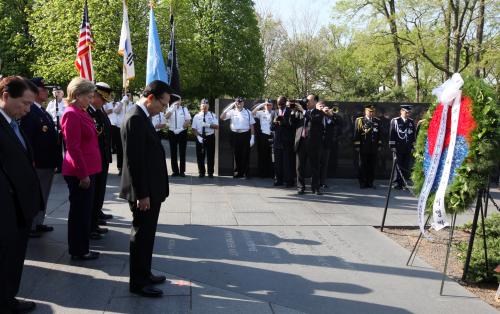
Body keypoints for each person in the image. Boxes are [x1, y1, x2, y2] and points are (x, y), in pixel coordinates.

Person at [120, 80, 172, 298]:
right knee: (141, 235)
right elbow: (135, 161)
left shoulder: (143, 116)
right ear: (151, 98)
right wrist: (142, 194)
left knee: (148, 235)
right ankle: (138, 282)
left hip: (150, 189)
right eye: (163, 103)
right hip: (144, 192)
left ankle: (145, 272)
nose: (164, 108)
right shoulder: (135, 118)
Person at [0, 76, 43, 313]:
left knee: (14, 259)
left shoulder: (14, 123)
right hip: (7, 209)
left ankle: (9, 298)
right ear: (6, 96)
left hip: (21, 208)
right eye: (25, 103)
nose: (28, 110)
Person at [61, 77, 102, 260]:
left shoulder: (82, 112)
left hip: (89, 168)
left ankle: (82, 247)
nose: (91, 100)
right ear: (77, 95)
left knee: (84, 211)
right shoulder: (71, 113)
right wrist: (83, 174)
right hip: (80, 172)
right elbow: (73, 147)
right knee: (80, 213)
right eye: (88, 96)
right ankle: (78, 250)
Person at [19, 77, 58, 238]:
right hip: (38, 162)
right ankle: (33, 224)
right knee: (37, 193)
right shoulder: (30, 111)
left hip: (46, 161)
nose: (46, 92)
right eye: (43, 89)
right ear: (34, 91)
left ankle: (38, 221)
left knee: (44, 192)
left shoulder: (40, 109)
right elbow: (28, 138)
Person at [87, 82, 114, 239]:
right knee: (94, 195)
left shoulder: (99, 111)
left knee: (99, 193)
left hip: (102, 158)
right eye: (101, 98)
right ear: (95, 96)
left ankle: (94, 222)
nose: (104, 102)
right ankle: (90, 226)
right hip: (95, 160)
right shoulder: (90, 113)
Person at [295, 95, 329, 195]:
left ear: (315, 102)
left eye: (309, 100)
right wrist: (293, 111)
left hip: (313, 143)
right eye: (306, 100)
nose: (307, 102)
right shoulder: (301, 112)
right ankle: (301, 187)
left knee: (315, 166)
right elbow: (292, 122)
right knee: (300, 167)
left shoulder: (319, 113)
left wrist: (303, 111)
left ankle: (315, 188)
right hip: (301, 142)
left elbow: (313, 120)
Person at [220, 97, 256, 179]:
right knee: (237, 154)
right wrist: (231, 106)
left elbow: (252, 125)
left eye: (240, 102)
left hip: (245, 135)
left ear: (243, 103)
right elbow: (222, 117)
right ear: (235, 103)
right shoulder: (232, 111)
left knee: (246, 154)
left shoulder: (248, 112)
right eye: (237, 102)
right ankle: (238, 173)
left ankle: (247, 173)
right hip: (235, 135)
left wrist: (252, 137)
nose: (239, 103)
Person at [353, 104, 382, 189]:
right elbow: (356, 133)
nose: (371, 113)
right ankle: (362, 182)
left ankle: (370, 182)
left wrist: (379, 144)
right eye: (370, 111)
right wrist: (357, 145)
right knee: (363, 165)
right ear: (365, 111)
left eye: (373, 111)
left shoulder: (377, 120)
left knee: (372, 166)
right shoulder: (360, 120)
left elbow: (379, 134)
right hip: (363, 146)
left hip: (373, 147)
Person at [389, 105, 416, 189]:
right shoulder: (395, 121)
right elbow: (392, 134)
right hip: (398, 147)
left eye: (408, 112)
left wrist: (413, 146)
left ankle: (404, 183)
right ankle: (397, 183)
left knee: (406, 165)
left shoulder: (411, 122)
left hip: (407, 147)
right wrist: (392, 146)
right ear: (401, 111)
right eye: (405, 112)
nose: (407, 114)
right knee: (398, 165)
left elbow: (412, 135)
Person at [271, 96, 296, 187]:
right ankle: (279, 180)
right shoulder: (275, 112)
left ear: (285, 103)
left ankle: (289, 181)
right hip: (277, 141)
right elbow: (271, 128)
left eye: (281, 104)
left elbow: (293, 126)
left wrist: (283, 122)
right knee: (278, 163)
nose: (280, 106)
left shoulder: (291, 111)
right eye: (278, 104)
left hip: (287, 141)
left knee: (287, 163)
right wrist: (274, 122)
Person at [191, 99, 219, 178]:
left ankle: (210, 172)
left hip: (210, 136)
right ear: (200, 106)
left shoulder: (212, 115)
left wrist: (208, 125)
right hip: (200, 136)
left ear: (208, 106)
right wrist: (198, 137)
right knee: (200, 155)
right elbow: (194, 129)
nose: (204, 107)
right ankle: (201, 172)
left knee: (210, 155)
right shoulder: (196, 116)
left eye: (206, 106)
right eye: (203, 106)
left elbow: (217, 126)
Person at [165, 98, 190, 177]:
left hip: (182, 132)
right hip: (172, 132)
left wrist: (181, 129)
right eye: (176, 101)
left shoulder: (184, 109)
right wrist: (172, 110)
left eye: (179, 100)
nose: (177, 102)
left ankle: (182, 171)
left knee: (182, 152)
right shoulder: (169, 109)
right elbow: (166, 117)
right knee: (173, 152)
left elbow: (188, 120)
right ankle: (175, 171)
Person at [110, 93, 133, 175]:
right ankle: (120, 167)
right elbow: (116, 111)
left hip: (129, 128)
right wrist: (122, 102)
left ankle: (129, 167)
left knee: (129, 148)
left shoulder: (132, 105)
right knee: (120, 149)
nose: (126, 96)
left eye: (128, 95)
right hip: (119, 128)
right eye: (124, 95)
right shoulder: (118, 104)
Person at [252, 99, 274, 178]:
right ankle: (262, 173)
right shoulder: (261, 113)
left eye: (270, 105)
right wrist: (261, 105)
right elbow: (252, 113)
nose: (268, 106)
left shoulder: (275, 113)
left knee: (272, 156)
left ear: (272, 105)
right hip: (263, 136)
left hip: (273, 136)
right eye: (267, 105)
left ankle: (271, 173)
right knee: (262, 155)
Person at [46, 85, 66, 172]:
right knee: (57, 148)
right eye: (55, 92)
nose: (56, 94)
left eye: (58, 92)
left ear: (62, 93)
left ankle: (68, 165)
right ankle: (60, 166)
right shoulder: (51, 103)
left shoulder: (65, 102)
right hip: (55, 126)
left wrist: (60, 113)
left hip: (64, 126)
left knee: (66, 147)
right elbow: (47, 114)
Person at [317, 101, 335, 189]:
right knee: (316, 164)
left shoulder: (328, 117)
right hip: (317, 143)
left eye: (323, 106)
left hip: (326, 143)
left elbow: (335, 123)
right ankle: (315, 182)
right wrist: (320, 112)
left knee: (324, 164)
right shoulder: (315, 115)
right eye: (320, 106)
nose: (322, 107)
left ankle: (322, 182)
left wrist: (329, 115)